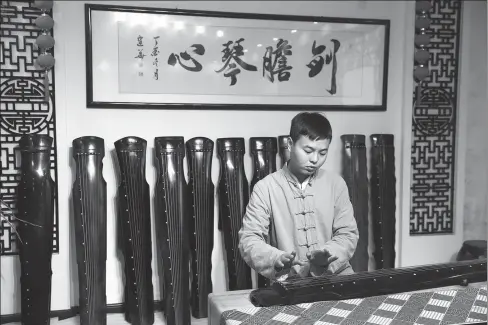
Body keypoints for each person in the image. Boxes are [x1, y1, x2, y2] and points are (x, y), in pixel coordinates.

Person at [238, 112, 359, 281]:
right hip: (290, 282)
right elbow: (249, 239)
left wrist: (327, 256)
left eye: (323, 153)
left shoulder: (336, 184)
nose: (315, 159)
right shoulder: (265, 188)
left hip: (336, 276)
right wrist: (275, 258)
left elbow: (347, 234)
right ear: (290, 144)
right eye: (308, 150)